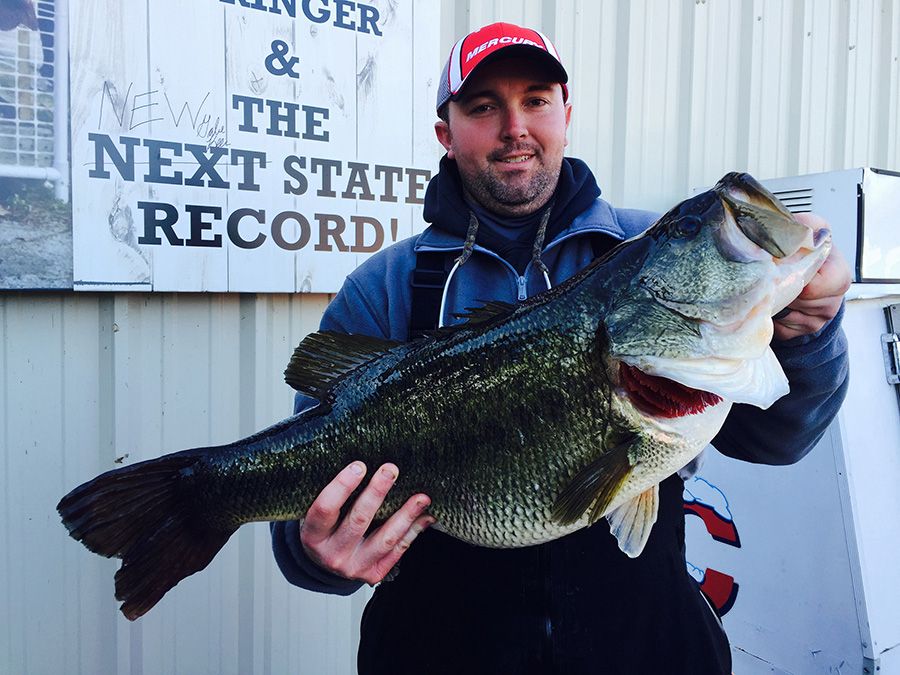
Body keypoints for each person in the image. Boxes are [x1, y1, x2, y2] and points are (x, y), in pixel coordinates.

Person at [271, 22, 850, 674]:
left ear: (566, 114)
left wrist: (807, 333)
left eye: (536, 99)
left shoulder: (642, 250)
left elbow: (778, 438)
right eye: (484, 105)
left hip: (649, 646)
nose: (514, 126)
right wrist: (314, 553)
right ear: (446, 132)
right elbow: (302, 499)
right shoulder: (384, 288)